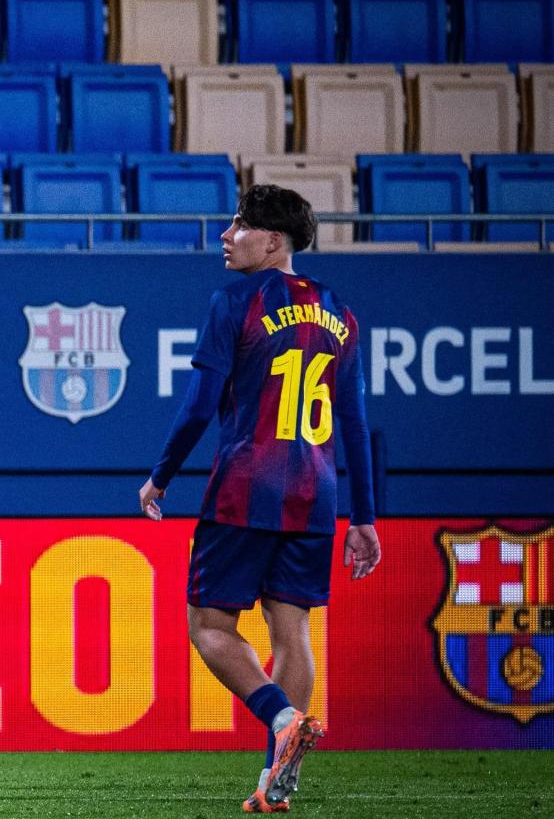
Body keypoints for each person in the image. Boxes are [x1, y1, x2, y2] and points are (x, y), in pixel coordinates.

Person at [138, 184, 381, 813]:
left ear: (272, 241)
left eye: (238, 226)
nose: (224, 236)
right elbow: (353, 423)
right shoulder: (341, 312)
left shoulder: (235, 300)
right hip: (317, 492)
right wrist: (365, 516)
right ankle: (277, 778)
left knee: (209, 626)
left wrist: (161, 475)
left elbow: (199, 407)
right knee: (291, 628)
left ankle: (279, 720)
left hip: (249, 483)